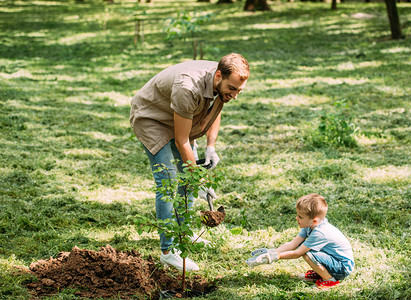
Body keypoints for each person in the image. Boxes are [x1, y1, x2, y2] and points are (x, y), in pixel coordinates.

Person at [130, 53, 250, 271]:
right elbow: (182, 139)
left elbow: (216, 108)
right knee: (169, 180)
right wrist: (199, 181)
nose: (235, 95)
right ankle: (168, 251)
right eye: (232, 89)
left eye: (239, 90)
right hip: (153, 119)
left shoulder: (224, 79)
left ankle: (185, 234)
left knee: (189, 175)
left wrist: (210, 146)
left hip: (180, 116)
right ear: (218, 76)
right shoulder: (189, 88)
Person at [246, 193, 354, 290]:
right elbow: (293, 244)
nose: (296, 218)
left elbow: (298, 253)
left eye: (300, 217)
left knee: (307, 252)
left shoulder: (320, 232)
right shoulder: (310, 225)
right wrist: (272, 252)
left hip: (342, 267)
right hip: (333, 260)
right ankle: (322, 273)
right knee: (304, 246)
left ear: (314, 220)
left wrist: (274, 257)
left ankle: (330, 280)